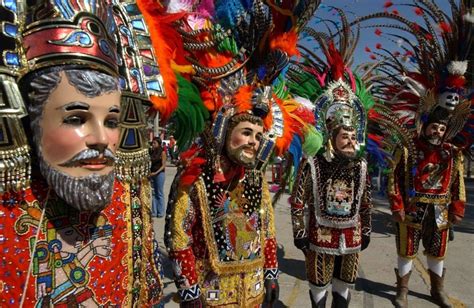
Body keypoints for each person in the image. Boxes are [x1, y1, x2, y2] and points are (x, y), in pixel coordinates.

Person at [138, 1, 322, 306]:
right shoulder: (195, 178)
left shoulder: (254, 179)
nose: (253, 141)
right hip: (211, 293)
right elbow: (179, 238)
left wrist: (272, 274)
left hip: (252, 291)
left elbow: (267, 231)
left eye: (258, 136)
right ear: (225, 133)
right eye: (246, 133)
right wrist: (189, 290)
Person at [0, 0, 166, 306]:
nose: (102, 139)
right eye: (76, 118)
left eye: (112, 121)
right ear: (32, 120)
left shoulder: (127, 199)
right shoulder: (7, 204)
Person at [352, 2, 472, 307]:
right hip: (412, 208)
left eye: (442, 129)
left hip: (441, 211)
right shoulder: (407, 149)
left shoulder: (451, 154)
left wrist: (457, 209)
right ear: (425, 125)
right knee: (406, 250)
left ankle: (437, 289)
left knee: (437, 251)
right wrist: (396, 207)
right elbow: (394, 180)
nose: (437, 132)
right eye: (433, 127)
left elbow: (457, 183)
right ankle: (402, 290)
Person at [287, 16, 374, 306]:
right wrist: (299, 231)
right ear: (331, 137)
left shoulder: (361, 167)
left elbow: (366, 204)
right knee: (318, 289)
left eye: (353, 136)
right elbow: (298, 201)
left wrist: (368, 229)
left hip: (350, 236)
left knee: (344, 288)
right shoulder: (312, 164)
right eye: (344, 136)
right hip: (320, 234)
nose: (350, 141)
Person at [150, 137, 167, 217]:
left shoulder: (162, 152)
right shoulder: (152, 152)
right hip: (152, 174)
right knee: (153, 193)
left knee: (159, 193)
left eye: (154, 143)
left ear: (159, 144)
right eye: (152, 143)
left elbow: (163, 165)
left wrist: (156, 173)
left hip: (159, 174)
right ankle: (154, 212)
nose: (153, 145)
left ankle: (161, 212)